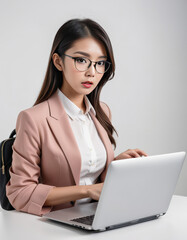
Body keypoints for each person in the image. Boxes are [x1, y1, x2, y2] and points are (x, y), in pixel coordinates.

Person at [6, 18, 148, 216]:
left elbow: (88, 176)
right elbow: (20, 192)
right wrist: (87, 191)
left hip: (99, 214)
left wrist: (115, 165)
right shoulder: (33, 119)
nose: (92, 72)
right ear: (58, 61)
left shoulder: (102, 112)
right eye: (81, 60)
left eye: (100, 63)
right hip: (57, 223)